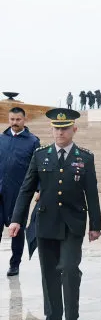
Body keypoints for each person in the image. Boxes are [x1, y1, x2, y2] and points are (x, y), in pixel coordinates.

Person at [9, 109, 101, 320]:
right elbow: (27, 188)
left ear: (74, 129)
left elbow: (92, 192)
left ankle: (72, 318)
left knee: (69, 269)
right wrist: (16, 220)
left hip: (72, 224)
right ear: (51, 130)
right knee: (48, 272)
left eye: (65, 128)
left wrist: (95, 225)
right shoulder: (40, 155)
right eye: (57, 128)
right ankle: (52, 319)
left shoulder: (85, 157)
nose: (60, 132)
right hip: (46, 222)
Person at [0, 107, 40, 276]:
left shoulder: (33, 141)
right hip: (0, 191)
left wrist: (39, 189)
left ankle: (15, 264)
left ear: (25, 120)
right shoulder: (2, 139)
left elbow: (37, 168)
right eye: (12, 120)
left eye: (18, 120)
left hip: (19, 195)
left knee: (17, 230)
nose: (14, 123)